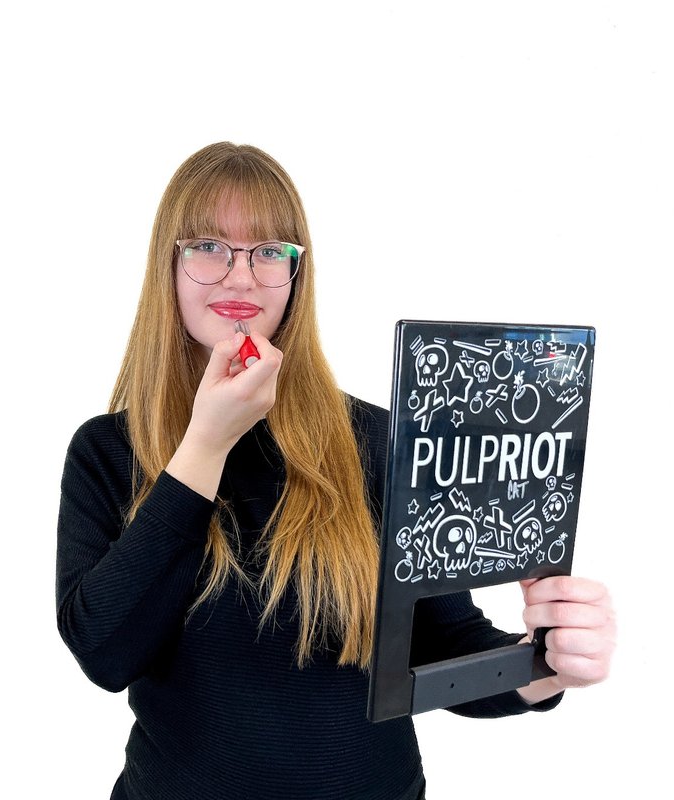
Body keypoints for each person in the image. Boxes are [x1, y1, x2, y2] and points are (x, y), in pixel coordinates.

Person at [55, 142, 616, 800]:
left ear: (296, 275)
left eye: (269, 251)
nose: (240, 277)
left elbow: (437, 649)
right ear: (168, 266)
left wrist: (542, 663)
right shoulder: (106, 452)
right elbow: (105, 653)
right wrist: (203, 447)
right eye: (208, 246)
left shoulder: (377, 442)